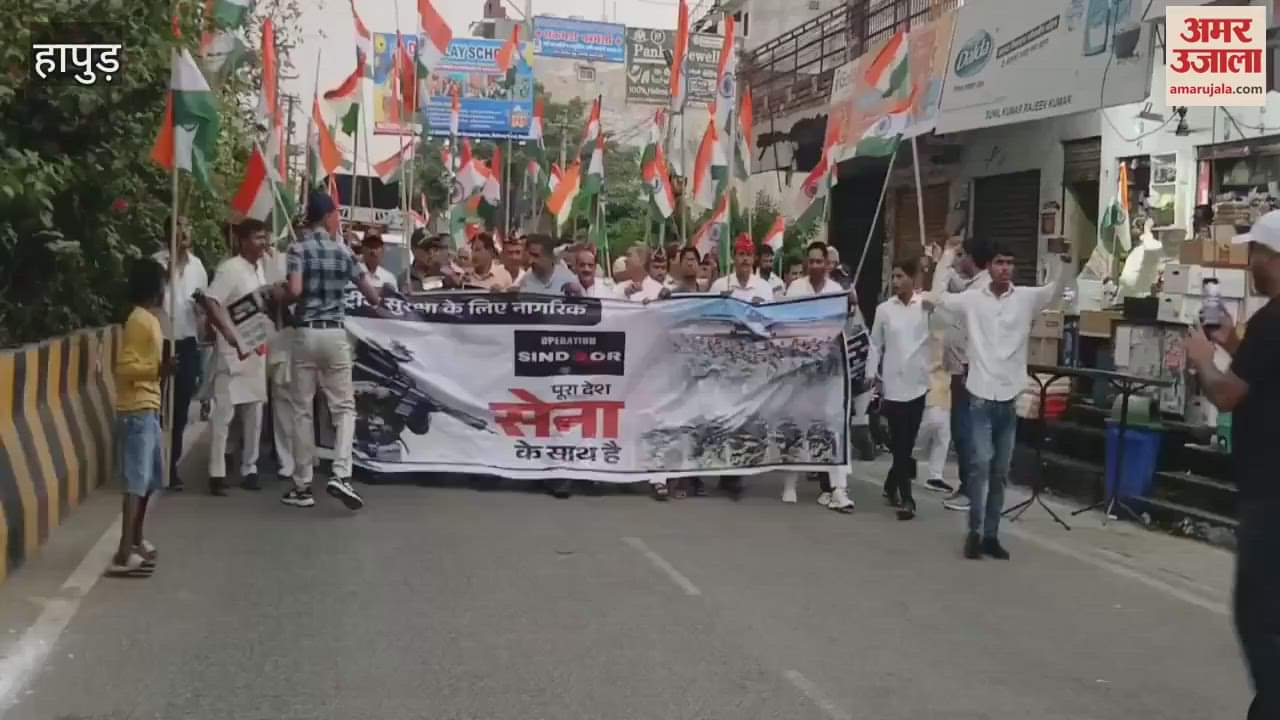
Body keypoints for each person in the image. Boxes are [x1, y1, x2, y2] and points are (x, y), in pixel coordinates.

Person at [1183, 211, 1280, 720]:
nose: (1250, 264)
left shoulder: (1272, 319)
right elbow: (1261, 371)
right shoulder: (1264, 329)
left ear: (1274, 258)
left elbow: (1227, 395)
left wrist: (1201, 356)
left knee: (1257, 615)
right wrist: (1229, 344)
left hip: (1270, 490)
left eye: (1255, 254)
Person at [928, 240, 1069, 560]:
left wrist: (1063, 259)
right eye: (999, 263)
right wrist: (946, 259)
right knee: (979, 465)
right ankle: (974, 532)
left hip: (1008, 396)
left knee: (1000, 470)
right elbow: (939, 298)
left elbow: (1055, 290)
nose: (1004, 268)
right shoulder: (972, 300)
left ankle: (991, 534)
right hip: (979, 394)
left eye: (1009, 263)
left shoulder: (1025, 299)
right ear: (988, 267)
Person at [281, 191, 388, 511]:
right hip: (335, 334)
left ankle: (302, 485)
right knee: (343, 409)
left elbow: (295, 291)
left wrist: (281, 296)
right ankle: (341, 474)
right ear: (328, 216)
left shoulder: (297, 249)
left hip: (305, 334)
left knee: (301, 409)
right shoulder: (344, 253)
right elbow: (371, 296)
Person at [781, 240, 857, 514]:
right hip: (800, 370)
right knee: (797, 426)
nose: (815, 266)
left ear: (827, 264)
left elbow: (846, 328)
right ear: (806, 263)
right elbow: (786, 324)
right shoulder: (795, 288)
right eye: (811, 261)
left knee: (833, 427)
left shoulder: (837, 290)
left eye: (819, 261)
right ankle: (790, 482)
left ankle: (838, 488)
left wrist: (851, 305)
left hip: (829, 372)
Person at [108, 259, 171, 576]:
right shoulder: (138, 321)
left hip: (149, 407)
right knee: (136, 482)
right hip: (137, 408)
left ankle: (135, 539)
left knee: (150, 481)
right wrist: (157, 370)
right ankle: (123, 551)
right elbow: (124, 368)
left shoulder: (150, 320)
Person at [205, 219, 270, 495]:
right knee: (224, 416)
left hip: (255, 349)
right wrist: (228, 333)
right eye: (257, 238)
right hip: (233, 354)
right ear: (242, 241)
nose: (263, 243)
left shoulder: (260, 270)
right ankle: (216, 473)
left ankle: (249, 468)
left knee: (255, 412)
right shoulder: (230, 269)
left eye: (265, 237)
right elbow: (211, 301)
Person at [870, 257, 931, 521]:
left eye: (900, 276)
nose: (895, 282)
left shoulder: (925, 306)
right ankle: (907, 498)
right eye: (893, 277)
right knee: (900, 442)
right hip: (893, 385)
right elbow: (875, 345)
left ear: (912, 277)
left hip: (918, 384)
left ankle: (891, 483)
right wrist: (872, 376)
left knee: (907, 442)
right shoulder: (884, 310)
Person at [936, 235, 992, 512]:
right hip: (961, 367)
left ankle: (971, 490)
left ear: (971, 258)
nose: (959, 261)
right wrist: (943, 261)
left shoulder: (980, 289)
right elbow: (950, 284)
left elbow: (939, 296)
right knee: (962, 430)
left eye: (961, 256)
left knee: (965, 430)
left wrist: (945, 258)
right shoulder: (973, 285)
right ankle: (970, 487)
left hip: (971, 369)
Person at [153, 215, 208, 492]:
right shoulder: (157, 263)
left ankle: (172, 466)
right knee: (155, 406)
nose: (184, 232)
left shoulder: (198, 266)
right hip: (160, 342)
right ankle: (152, 465)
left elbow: (201, 309)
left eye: (187, 227)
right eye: (179, 227)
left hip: (186, 342)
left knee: (180, 409)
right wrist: (171, 265)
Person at [710, 234, 773, 302]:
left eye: (749, 254)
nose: (745, 259)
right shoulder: (719, 285)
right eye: (741, 254)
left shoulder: (764, 287)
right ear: (733, 257)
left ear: (753, 259)